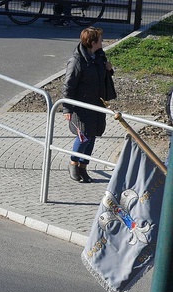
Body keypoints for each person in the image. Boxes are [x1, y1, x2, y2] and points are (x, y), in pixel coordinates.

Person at [62, 26, 114, 183]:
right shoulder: (77, 61)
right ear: (92, 42)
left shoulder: (98, 57)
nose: (102, 42)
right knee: (83, 136)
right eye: (100, 40)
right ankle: (73, 164)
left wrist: (109, 69)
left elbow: (102, 76)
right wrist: (67, 108)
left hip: (96, 103)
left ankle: (83, 167)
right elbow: (68, 85)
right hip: (81, 106)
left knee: (92, 136)